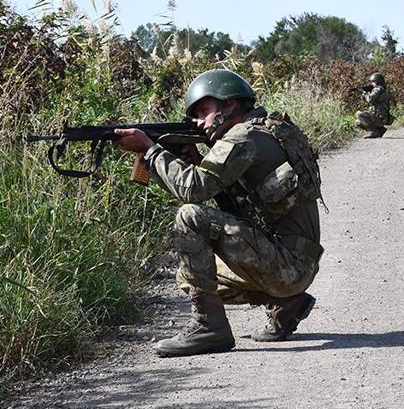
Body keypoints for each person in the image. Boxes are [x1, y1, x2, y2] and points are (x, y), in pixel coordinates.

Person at [113, 69, 324, 357]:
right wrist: (197, 160)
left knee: (190, 216)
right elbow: (242, 206)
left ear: (230, 105)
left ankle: (208, 328)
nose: (199, 122)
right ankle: (288, 304)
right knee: (188, 277)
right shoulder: (265, 130)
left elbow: (194, 190)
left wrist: (149, 151)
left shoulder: (243, 137)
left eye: (203, 111)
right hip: (294, 264)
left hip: (287, 266)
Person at [356, 72, 394, 139]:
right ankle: (379, 130)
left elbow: (370, 99)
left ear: (378, 82)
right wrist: (365, 94)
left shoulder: (378, 89)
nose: (371, 84)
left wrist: (364, 92)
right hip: (382, 118)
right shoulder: (383, 89)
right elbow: (368, 100)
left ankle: (373, 132)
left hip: (379, 118)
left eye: (373, 82)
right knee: (358, 122)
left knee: (359, 114)